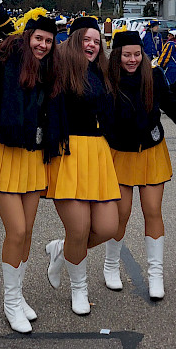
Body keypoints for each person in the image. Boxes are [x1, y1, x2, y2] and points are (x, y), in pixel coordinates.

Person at [0, 0, 60, 333]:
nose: (42, 45)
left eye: (48, 41)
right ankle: (10, 302)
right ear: (27, 37)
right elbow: (6, 47)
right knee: (17, 230)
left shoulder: (49, 71)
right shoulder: (4, 61)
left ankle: (18, 294)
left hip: (33, 155)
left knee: (27, 232)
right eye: (38, 38)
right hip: (4, 153)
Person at [43, 16, 122, 316]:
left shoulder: (103, 72)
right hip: (68, 153)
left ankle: (61, 249)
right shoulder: (57, 68)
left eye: (96, 41)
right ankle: (79, 289)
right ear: (74, 41)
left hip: (98, 153)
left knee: (108, 227)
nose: (92, 45)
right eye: (86, 39)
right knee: (78, 230)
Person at [102, 29, 176, 299]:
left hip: (151, 150)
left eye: (137, 54)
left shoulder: (154, 75)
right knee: (120, 214)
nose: (132, 60)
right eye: (127, 55)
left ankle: (155, 274)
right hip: (119, 153)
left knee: (153, 211)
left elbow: (172, 106)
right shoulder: (107, 78)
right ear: (117, 56)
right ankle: (111, 265)